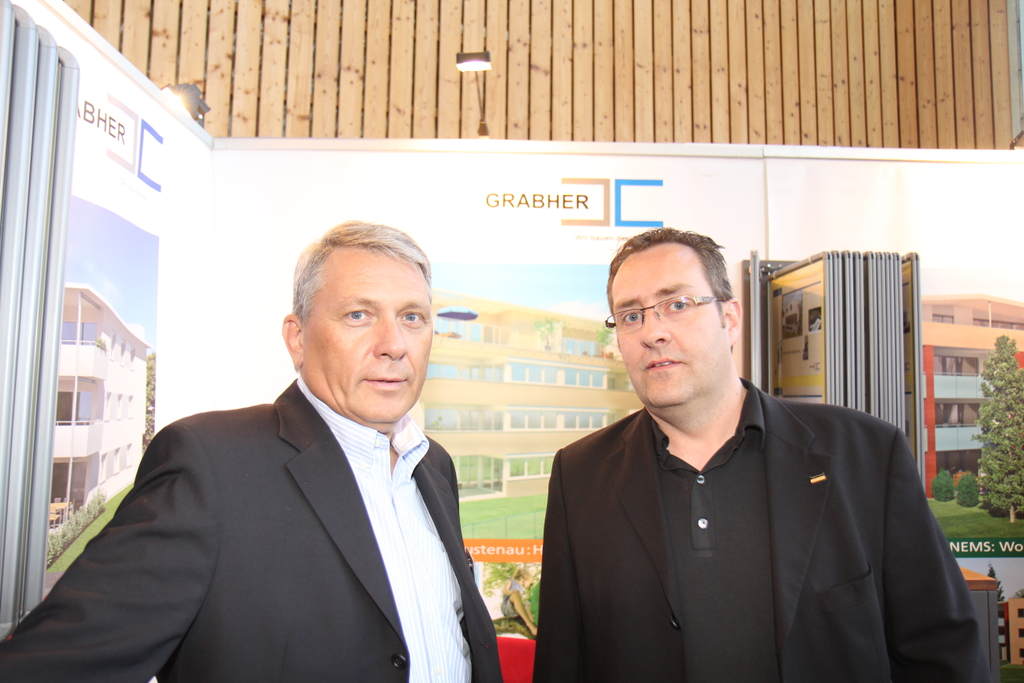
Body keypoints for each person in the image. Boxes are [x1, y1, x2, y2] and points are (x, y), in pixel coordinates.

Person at [0, 222, 502, 683]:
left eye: (412, 317)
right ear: (297, 338)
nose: (393, 344)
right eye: (358, 314)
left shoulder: (433, 465)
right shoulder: (210, 465)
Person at [532, 228, 988, 683]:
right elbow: (562, 662)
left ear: (730, 319)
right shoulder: (579, 476)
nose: (653, 332)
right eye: (631, 316)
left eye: (677, 304)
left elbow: (943, 653)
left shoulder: (866, 454)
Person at [499, 566, 537, 637]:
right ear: (523, 577)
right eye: (529, 581)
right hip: (508, 608)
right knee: (517, 595)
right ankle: (529, 624)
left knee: (527, 604)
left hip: (516, 611)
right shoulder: (511, 581)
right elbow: (504, 590)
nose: (529, 584)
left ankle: (532, 621)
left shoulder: (521, 590)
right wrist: (513, 592)